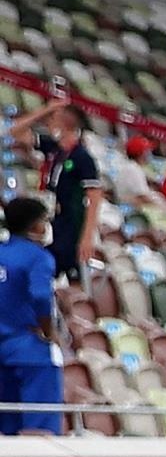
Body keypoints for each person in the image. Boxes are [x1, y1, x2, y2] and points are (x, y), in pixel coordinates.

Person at [7, 99, 100, 282]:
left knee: (60, 273)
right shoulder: (53, 148)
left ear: (65, 125)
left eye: (53, 119)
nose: (48, 123)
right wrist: (45, 110)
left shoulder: (82, 157)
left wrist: (87, 236)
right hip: (47, 221)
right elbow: (14, 131)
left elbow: (94, 197)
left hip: (69, 225)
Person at [0, 196, 60, 435]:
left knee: (6, 431)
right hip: (28, 348)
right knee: (40, 431)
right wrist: (48, 329)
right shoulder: (38, 257)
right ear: (35, 225)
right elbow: (40, 296)